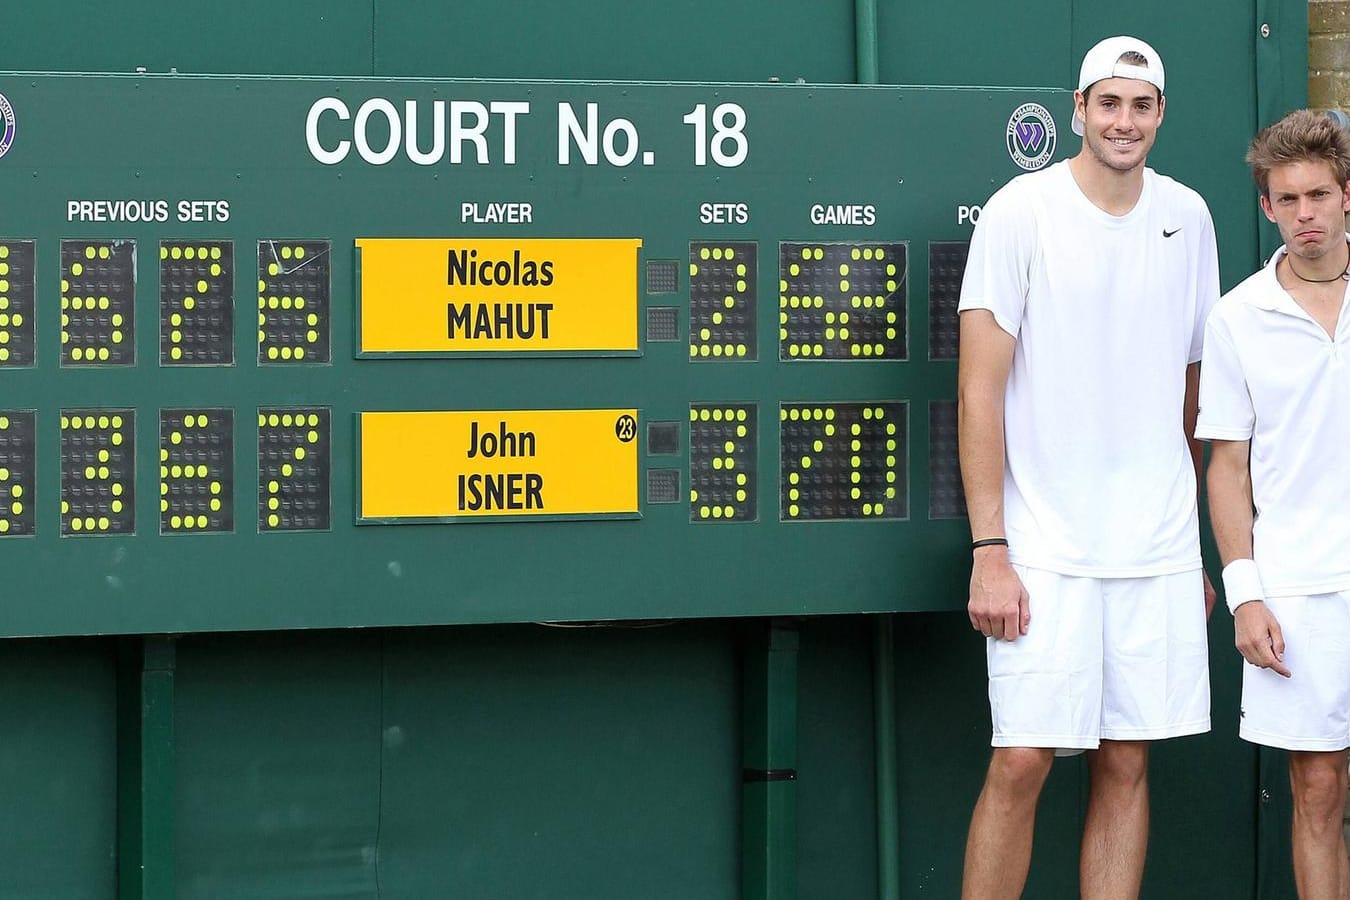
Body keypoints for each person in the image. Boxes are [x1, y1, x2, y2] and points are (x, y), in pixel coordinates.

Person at [956, 35, 1219, 898]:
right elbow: (978, 391)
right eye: (1109, 103)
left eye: (1141, 106)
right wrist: (990, 547)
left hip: (1156, 547)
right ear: (1078, 109)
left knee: (1127, 761)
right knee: (1024, 758)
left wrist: (1193, 550)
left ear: (1162, 116)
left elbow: (1193, 390)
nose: (1124, 122)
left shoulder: (1190, 216)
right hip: (1041, 547)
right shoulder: (1018, 211)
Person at [1197, 109, 1350, 900]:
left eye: (1318, 195)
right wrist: (1246, 595)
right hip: (1300, 591)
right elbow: (1228, 466)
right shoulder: (1236, 317)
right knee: (1318, 791)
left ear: (1347, 195)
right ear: (1266, 207)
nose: (1306, 216)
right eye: (1287, 201)